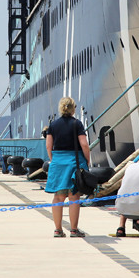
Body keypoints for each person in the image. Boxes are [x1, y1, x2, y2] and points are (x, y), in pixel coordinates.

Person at [44, 97, 89, 238]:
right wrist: (87, 160)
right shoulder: (77, 124)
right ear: (73, 108)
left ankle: (58, 230)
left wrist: (54, 159)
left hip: (58, 162)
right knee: (73, 196)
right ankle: (74, 230)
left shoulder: (53, 125)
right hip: (73, 162)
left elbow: (48, 146)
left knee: (58, 197)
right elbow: (84, 144)